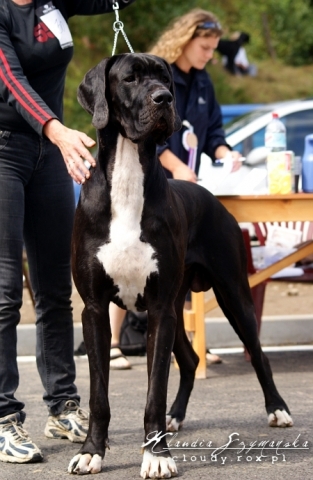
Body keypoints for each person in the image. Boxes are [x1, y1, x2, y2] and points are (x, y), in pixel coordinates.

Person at [0, 0, 135, 464]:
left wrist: (54, 138)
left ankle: (62, 406)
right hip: (6, 152)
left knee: (57, 287)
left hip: (50, 154)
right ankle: (2, 418)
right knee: (4, 293)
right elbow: (12, 80)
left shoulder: (53, 3)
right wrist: (56, 130)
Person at [104, 9, 243, 370]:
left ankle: (191, 341)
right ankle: (114, 342)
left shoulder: (204, 82)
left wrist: (227, 153)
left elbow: (214, 133)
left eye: (214, 48)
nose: (209, 54)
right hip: (149, 178)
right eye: (205, 46)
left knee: (180, 265)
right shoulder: (155, 75)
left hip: (183, 188)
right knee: (124, 257)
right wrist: (176, 166)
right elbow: (140, 127)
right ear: (185, 39)